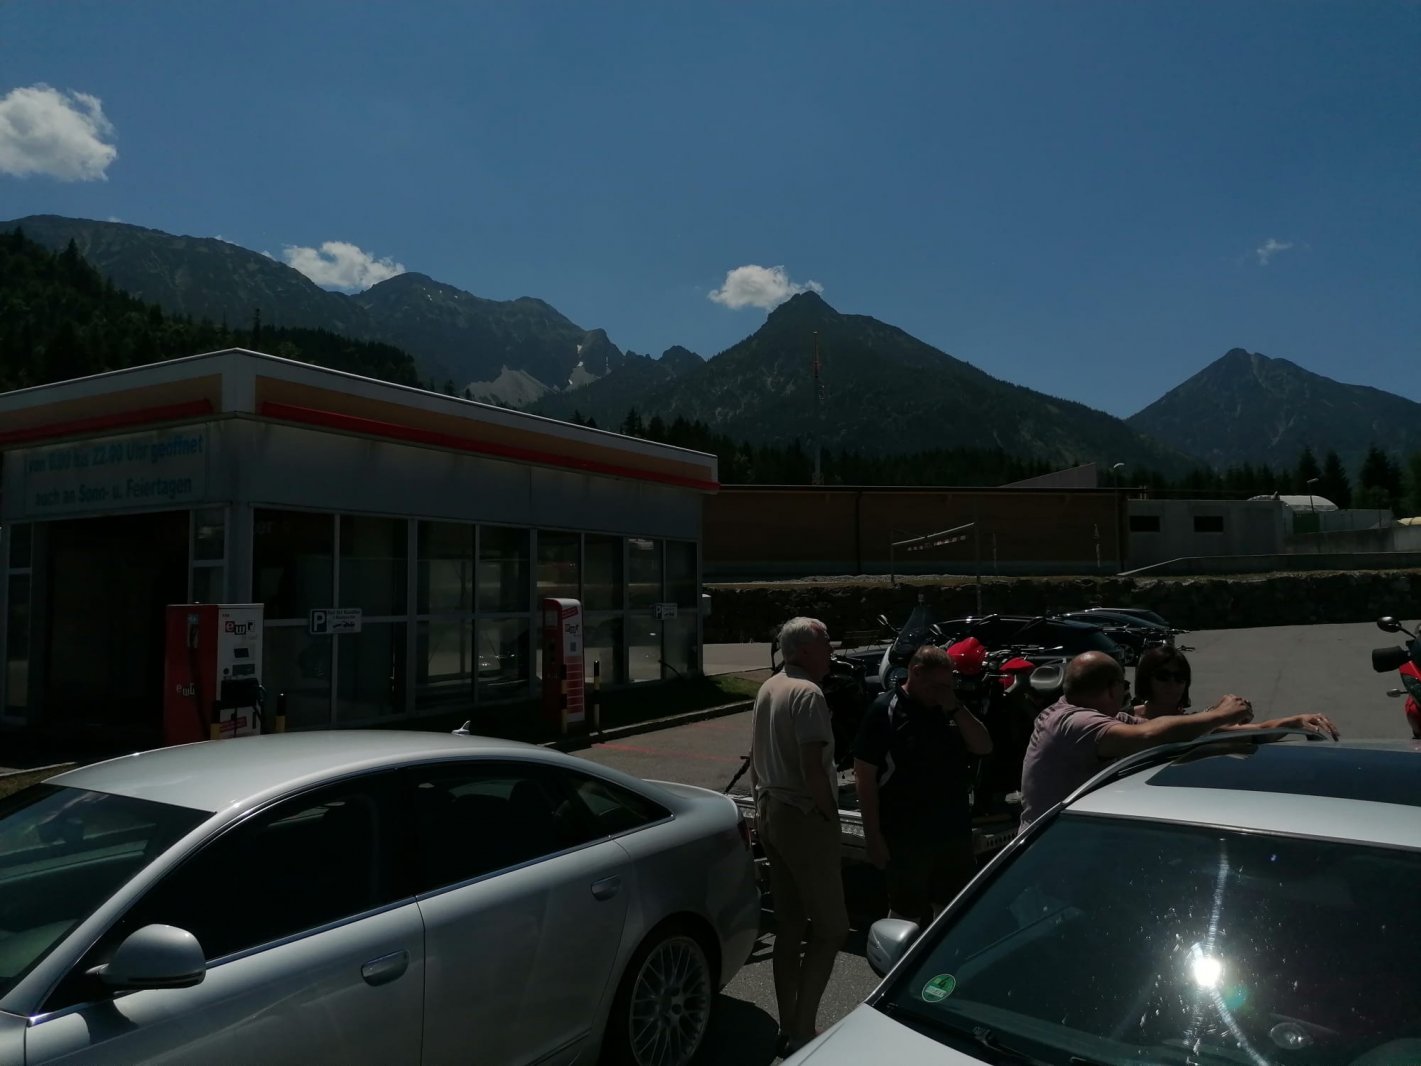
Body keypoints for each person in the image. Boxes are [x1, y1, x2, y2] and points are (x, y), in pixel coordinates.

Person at [748, 616, 849, 1057]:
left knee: (790, 924)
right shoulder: (808, 693)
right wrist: (830, 815)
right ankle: (804, 1030)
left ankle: (788, 1021)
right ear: (805, 649)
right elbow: (813, 768)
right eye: (825, 643)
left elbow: (756, 756)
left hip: (771, 809)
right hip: (803, 815)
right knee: (832, 928)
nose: (831, 650)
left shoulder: (770, 686)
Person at [1017, 651, 1257, 828]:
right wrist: (1221, 714)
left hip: (1066, 835)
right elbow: (1148, 735)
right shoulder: (1075, 722)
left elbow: (1157, 728)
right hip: (1051, 847)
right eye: (1124, 685)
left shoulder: (1080, 715)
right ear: (1113, 689)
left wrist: (1218, 718)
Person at [853, 644, 993, 927]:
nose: (941, 692)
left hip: (952, 832)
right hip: (906, 835)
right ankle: (899, 954)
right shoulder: (885, 710)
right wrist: (873, 837)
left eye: (947, 686)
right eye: (936, 686)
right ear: (915, 673)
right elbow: (864, 778)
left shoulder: (949, 708)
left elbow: (983, 746)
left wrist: (954, 706)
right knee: (906, 912)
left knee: (953, 911)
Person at [1133, 645, 1340, 739]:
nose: (1172, 683)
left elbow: (1258, 731)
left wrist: (1295, 720)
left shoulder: (1197, 725)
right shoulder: (1123, 719)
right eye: (1163, 676)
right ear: (1145, 678)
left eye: (1180, 678)